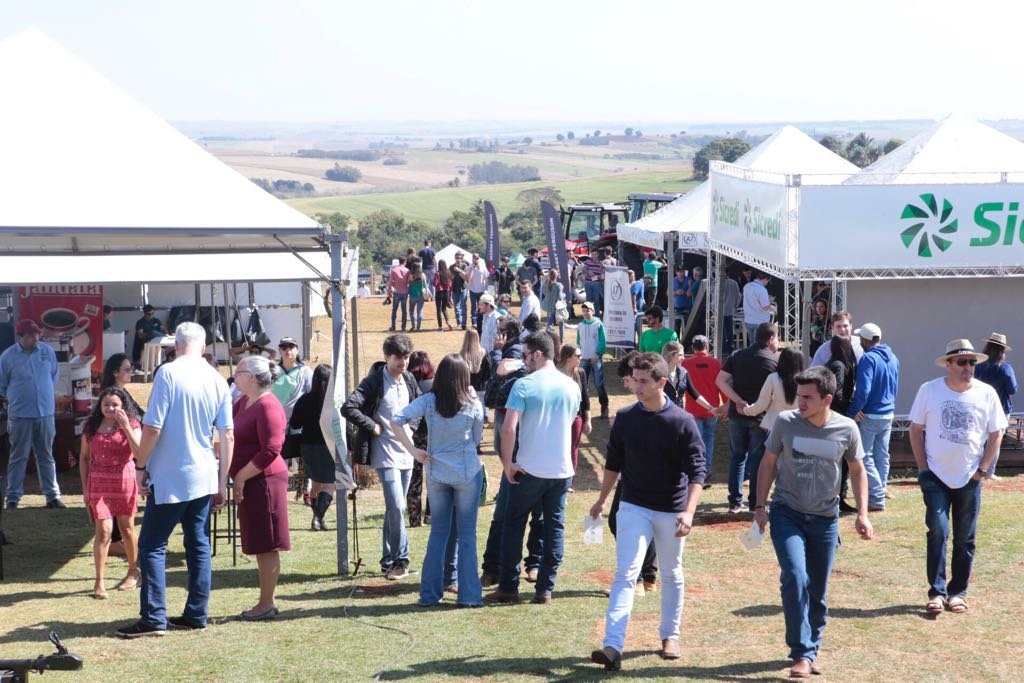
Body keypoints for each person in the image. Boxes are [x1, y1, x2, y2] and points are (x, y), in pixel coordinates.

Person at [753, 367, 874, 679]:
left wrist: (862, 513)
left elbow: (857, 470)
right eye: (798, 396)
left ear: (827, 399)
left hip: (825, 519)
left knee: (817, 589)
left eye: (807, 398)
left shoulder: (846, 428)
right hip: (787, 512)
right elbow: (768, 463)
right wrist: (760, 507)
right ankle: (802, 652)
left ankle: (813, 646)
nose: (800, 403)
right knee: (795, 576)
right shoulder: (784, 422)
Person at [589, 352, 706, 671]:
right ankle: (613, 646)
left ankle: (670, 636)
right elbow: (613, 462)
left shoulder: (682, 421)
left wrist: (689, 512)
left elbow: (698, 470)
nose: (636, 387)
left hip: (672, 509)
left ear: (661, 382)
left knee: (671, 572)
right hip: (633, 505)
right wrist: (602, 500)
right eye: (634, 380)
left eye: (643, 381)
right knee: (626, 573)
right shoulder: (626, 417)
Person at [116, 322, 233, 638]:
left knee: (153, 544)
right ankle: (196, 613)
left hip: (171, 474)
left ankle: (154, 617)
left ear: (176, 345)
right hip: (204, 473)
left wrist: (141, 465)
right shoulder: (216, 378)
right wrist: (222, 480)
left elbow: (153, 427)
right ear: (203, 347)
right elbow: (227, 434)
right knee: (198, 544)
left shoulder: (167, 373)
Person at [910, 339, 1006, 616]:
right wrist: (923, 468)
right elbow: (915, 429)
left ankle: (957, 592)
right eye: (962, 362)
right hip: (935, 476)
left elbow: (996, 433)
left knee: (965, 538)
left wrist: (982, 470)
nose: (968, 367)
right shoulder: (929, 390)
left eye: (972, 362)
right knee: (938, 530)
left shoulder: (986, 393)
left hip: (970, 477)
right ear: (948, 364)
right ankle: (936, 592)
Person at [485, 332, 580, 605]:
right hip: (561, 470)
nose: (524, 361)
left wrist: (507, 465)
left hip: (528, 469)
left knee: (513, 526)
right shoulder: (571, 386)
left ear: (538, 354)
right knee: (554, 528)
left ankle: (508, 586)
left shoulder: (524, 385)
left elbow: (508, 429)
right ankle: (545, 589)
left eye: (526, 355)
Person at [391, 354, 484, 607]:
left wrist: (413, 451)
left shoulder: (429, 400)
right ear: (464, 378)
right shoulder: (473, 403)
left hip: (437, 472)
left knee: (438, 535)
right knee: (467, 535)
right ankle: (469, 596)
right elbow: (477, 439)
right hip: (467, 472)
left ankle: (430, 594)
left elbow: (396, 420)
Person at [341, 334, 420, 580]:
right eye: (398, 357)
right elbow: (348, 407)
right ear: (387, 357)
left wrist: (412, 428)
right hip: (384, 453)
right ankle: (401, 560)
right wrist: (372, 426)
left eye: (406, 357)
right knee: (397, 506)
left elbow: (419, 406)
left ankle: (387, 560)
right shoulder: (374, 381)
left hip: (407, 452)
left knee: (395, 509)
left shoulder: (409, 379)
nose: (403, 362)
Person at [230, 355, 290, 620]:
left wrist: (241, 477)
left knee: (267, 543)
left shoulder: (268, 405)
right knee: (258, 540)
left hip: (265, 481)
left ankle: (266, 603)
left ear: (252, 377)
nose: (235, 376)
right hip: (250, 480)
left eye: (239, 372)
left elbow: (271, 449)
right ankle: (266, 601)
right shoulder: (243, 402)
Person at [80, 387, 142, 599]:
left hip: (124, 480)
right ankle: (99, 581)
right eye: (106, 404)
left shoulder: (133, 423)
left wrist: (126, 427)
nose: (110, 408)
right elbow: (84, 458)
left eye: (115, 404)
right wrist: (85, 489)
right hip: (99, 481)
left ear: (123, 406)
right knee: (104, 530)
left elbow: (139, 453)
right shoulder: (91, 425)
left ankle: (133, 572)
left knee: (127, 528)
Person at [716, 322, 779, 514]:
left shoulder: (737, 355)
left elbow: (720, 381)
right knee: (757, 459)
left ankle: (735, 502)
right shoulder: (774, 361)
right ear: (771, 339)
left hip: (737, 414)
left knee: (737, 456)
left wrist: (737, 400)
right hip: (760, 417)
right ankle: (754, 503)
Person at [1, 319, 63, 509]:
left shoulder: (47, 351)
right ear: (20, 337)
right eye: (30, 335)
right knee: (18, 456)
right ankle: (13, 497)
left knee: (46, 455)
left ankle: (52, 496)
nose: (35, 338)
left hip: (45, 413)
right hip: (20, 415)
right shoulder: (7, 357)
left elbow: (53, 376)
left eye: (37, 334)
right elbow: (1, 385)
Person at [847, 322, 899, 512]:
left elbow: (863, 390)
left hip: (870, 414)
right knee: (881, 456)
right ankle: (880, 491)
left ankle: (876, 497)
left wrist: (853, 411)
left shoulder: (868, 358)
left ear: (865, 341)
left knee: (865, 456)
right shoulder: (893, 357)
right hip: (888, 413)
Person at [99, 353, 145, 553]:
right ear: (115, 372)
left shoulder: (123, 393)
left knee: (122, 502)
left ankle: (119, 539)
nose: (131, 372)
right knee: (117, 500)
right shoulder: (113, 397)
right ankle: (116, 540)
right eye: (126, 369)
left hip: (129, 450)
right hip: (118, 455)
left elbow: (139, 415)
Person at [290, 364, 337, 531]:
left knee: (316, 483)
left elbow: (295, 424)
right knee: (330, 484)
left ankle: (318, 519)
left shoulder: (304, 400)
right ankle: (318, 517)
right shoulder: (333, 402)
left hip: (307, 446)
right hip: (327, 446)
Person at [681, 335, 726, 482]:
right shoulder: (715, 363)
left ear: (693, 347)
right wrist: (725, 405)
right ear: (707, 346)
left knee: (695, 440)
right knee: (709, 438)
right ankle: (706, 469)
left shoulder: (686, 364)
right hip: (712, 409)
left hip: (693, 409)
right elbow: (722, 386)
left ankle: (696, 469)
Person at [972, 333, 1016, 478]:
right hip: (1001, 408)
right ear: (1002, 351)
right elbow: (1012, 389)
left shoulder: (977, 366)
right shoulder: (1005, 368)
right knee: (995, 440)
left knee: (977, 440)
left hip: (979, 406)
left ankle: (974, 468)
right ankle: (989, 472)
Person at [824, 336, 858, 513]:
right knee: (841, 460)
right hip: (838, 416)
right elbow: (837, 393)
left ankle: (836, 496)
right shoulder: (839, 365)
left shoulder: (832, 363)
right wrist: (849, 406)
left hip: (831, 415)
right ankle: (839, 497)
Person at [742, 347, 806, 430]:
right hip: (799, 426)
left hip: (775, 425)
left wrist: (746, 410)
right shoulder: (806, 381)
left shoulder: (773, 378)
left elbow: (762, 404)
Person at [405, 351, 435, 528]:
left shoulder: (407, 384)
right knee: (432, 476)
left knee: (414, 479)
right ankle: (430, 515)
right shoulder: (433, 386)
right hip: (431, 435)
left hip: (412, 436)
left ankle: (414, 518)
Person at [272, 337, 313, 463]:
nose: (287, 350)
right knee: (279, 453)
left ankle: (300, 475)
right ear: (279, 350)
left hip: (298, 421)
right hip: (277, 420)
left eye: (291, 347)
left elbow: (311, 395)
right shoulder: (273, 371)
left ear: (297, 350)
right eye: (284, 347)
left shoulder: (305, 371)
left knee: (299, 455)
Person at [557, 344, 591, 482]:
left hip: (576, 416)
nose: (580, 358)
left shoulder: (580, 372)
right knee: (559, 446)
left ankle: (569, 481)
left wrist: (588, 420)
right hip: (558, 416)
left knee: (573, 448)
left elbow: (585, 397)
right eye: (578, 355)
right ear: (568, 358)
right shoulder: (555, 373)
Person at [576, 301, 609, 419]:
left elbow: (603, 341)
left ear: (593, 311)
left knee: (599, 384)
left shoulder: (598, 324)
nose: (586, 313)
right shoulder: (580, 325)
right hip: (584, 359)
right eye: (584, 311)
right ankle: (583, 409)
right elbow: (578, 342)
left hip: (596, 359)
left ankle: (604, 406)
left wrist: (598, 354)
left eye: (588, 310)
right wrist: (579, 355)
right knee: (582, 385)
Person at [742, 272, 772, 345]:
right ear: (765, 279)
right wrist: (770, 302)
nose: (767, 283)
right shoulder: (762, 289)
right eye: (768, 281)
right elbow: (765, 307)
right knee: (759, 345)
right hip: (760, 321)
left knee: (752, 344)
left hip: (748, 319)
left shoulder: (747, 286)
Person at [132, 304, 165, 369]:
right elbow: (140, 335)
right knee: (153, 333)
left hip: (158, 343)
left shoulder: (156, 320)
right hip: (146, 343)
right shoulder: (140, 322)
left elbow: (164, 329)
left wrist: (164, 330)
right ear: (144, 313)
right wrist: (150, 334)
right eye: (149, 314)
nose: (151, 315)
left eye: (152, 313)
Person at [387, 258, 411, 332]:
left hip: (396, 291)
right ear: (405, 262)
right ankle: (403, 327)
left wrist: (389, 291)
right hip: (405, 292)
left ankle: (393, 326)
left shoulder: (394, 270)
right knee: (404, 310)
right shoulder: (407, 270)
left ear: (399, 262)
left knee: (394, 310)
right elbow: (409, 282)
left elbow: (390, 281)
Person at [540, 268, 565, 336]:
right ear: (557, 276)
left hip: (548, 306)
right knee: (561, 323)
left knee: (549, 323)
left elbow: (544, 293)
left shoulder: (545, 284)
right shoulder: (558, 285)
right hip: (557, 306)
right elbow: (560, 297)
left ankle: (548, 337)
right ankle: (561, 338)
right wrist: (564, 295)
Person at [720, 274, 741, 355]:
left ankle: (723, 350)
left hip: (720, 312)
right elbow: (738, 297)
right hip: (730, 311)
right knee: (729, 332)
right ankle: (730, 349)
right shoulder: (734, 283)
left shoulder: (717, 283)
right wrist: (735, 307)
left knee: (721, 332)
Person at [407, 261, 431, 332]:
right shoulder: (422, 275)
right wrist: (427, 292)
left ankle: (413, 324)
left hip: (412, 295)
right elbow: (426, 285)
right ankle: (418, 327)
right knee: (419, 311)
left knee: (411, 311)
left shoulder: (411, 275)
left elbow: (408, 284)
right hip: (420, 295)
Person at [467, 253, 489, 331]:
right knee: (473, 306)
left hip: (481, 290)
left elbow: (486, 279)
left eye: (477, 258)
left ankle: (480, 320)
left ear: (479, 259)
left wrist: (486, 289)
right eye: (474, 258)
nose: (476, 259)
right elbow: (468, 279)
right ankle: (474, 322)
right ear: (472, 259)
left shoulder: (483, 268)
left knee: (481, 306)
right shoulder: (469, 268)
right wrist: (473, 269)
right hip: (472, 290)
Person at [433, 259, 454, 331]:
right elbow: (450, 285)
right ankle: (448, 322)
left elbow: (435, 283)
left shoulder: (437, 273)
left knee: (438, 310)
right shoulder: (448, 273)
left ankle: (440, 326)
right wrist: (450, 296)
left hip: (439, 293)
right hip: (446, 292)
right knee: (444, 309)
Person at [671, 266, 692, 336]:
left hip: (687, 307)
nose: (681, 273)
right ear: (676, 272)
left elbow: (690, 294)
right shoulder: (673, 280)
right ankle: (676, 341)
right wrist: (676, 292)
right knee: (676, 327)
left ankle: (685, 341)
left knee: (686, 327)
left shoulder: (689, 280)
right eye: (679, 272)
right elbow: (668, 293)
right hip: (677, 308)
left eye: (682, 271)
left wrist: (684, 292)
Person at [583, 252, 605, 317]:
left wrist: (598, 277)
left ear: (598, 255)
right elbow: (583, 270)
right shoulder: (588, 261)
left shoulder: (600, 263)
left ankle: (597, 315)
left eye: (595, 254)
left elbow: (602, 275)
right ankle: (588, 315)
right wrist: (588, 272)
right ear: (591, 255)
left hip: (597, 284)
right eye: (592, 254)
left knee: (596, 300)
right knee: (588, 300)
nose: (594, 256)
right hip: (588, 283)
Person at [450, 252, 468, 329]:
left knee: (463, 306)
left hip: (463, 288)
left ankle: (464, 323)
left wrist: (459, 271)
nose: (458, 260)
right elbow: (450, 278)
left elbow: (466, 277)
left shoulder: (464, 266)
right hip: (455, 289)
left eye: (460, 258)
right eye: (457, 258)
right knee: (456, 307)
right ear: (455, 258)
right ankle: (459, 323)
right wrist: (452, 274)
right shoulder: (451, 267)